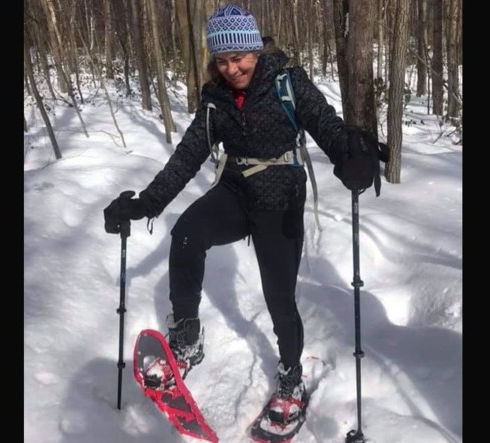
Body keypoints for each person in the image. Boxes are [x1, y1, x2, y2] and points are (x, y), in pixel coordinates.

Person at [104, 4, 381, 436]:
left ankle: (291, 379)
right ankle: (186, 341)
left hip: (280, 200)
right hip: (235, 191)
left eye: (240, 57)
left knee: (279, 296)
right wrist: (146, 203)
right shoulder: (215, 101)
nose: (232, 68)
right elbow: (187, 157)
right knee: (187, 234)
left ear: (255, 50)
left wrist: (351, 158)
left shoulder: (288, 82)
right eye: (222, 60)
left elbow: (326, 126)